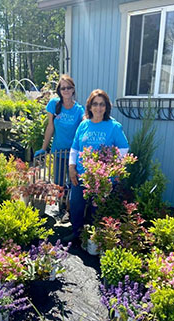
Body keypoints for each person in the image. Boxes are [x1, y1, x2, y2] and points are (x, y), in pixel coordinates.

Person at [67, 89, 129, 243]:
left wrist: (110, 169)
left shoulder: (113, 126)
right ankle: (76, 233)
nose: (98, 108)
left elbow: (124, 149)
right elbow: (75, 148)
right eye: (95, 104)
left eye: (102, 104)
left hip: (102, 179)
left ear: (107, 107)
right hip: (82, 176)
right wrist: (71, 168)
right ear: (89, 106)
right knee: (76, 205)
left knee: (97, 210)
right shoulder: (83, 125)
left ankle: (94, 240)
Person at [35, 75, 85, 219]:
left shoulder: (78, 110)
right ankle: (60, 208)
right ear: (59, 90)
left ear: (73, 89)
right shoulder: (54, 104)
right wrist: (44, 148)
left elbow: (84, 126)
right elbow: (50, 127)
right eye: (63, 88)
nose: (66, 90)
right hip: (58, 151)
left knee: (72, 183)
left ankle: (69, 211)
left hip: (72, 154)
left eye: (69, 87)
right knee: (58, 183)